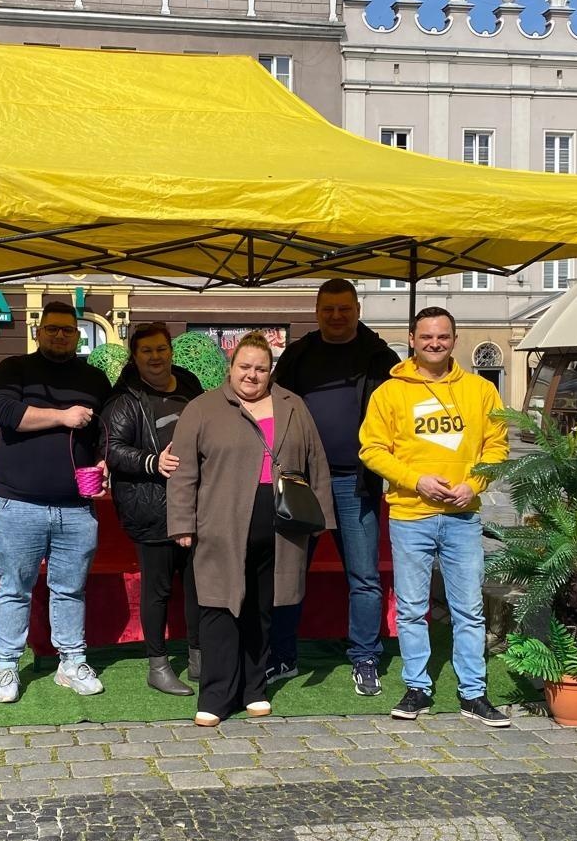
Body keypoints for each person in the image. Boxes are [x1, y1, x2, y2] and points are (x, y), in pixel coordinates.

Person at [168, 333, 334, 726]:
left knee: (263, 609)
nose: (252, 375)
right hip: (220, 526)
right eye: (245, 366)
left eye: (261, 368)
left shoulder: (293, 406)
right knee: (218, 608)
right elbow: (183, 472)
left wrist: (321, 519)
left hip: (280, 527)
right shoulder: (203, 408)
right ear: (231, 367)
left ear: (270, 370)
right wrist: (181, 523)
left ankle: (254, 688)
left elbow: (316, 463)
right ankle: (216, 695)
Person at [358, 306, 511, 727]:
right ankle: (417, 688)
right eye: (426, 336)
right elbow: (372, 449)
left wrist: (474, 484)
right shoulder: (390, 393)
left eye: (442, 336)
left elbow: (496, 447)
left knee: (469, 609)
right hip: (411, 514)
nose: (434, 343)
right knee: (410, 608)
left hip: (463, 517)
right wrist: (415, 480)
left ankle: (473, 693)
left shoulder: (481, 391)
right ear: (411, 339)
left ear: (454, 340)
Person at [268, 278, 399, 696]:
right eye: (329, 309)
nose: (337, 316)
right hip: (301, 481)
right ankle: (283, 656)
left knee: (363, 577)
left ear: (357, 310)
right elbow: (270, 403)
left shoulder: (380, 358)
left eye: (345, 309)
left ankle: (364, 657)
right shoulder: (298, 354)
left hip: (355, 482)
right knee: (289, 572)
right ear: (317, 310)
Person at [0, 300, 112, 703]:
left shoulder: (93, 378)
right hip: (19, 504)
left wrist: (105, 459)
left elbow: (107, 428)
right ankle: (6, 666)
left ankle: (71, 661)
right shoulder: (14, 368)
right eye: (52, 328)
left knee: (70, 589)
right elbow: (5, 412)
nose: (60, 335)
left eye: (68, 330)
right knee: (14, 588)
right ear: (39, 331)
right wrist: (62, 416)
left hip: (76, 507)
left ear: (79, 335)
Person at [103, 323, 205, 695]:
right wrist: (152, 463)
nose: (156, 357)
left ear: (171, 351)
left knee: (198, 585)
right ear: (135, 357)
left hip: (196, 502)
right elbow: (112, 449)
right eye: (146, 351)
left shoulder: (191, 386)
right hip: (151, 506)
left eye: (161, 349)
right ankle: (158, 665)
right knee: (158, 589)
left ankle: (199, 658)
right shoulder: (125, 399)